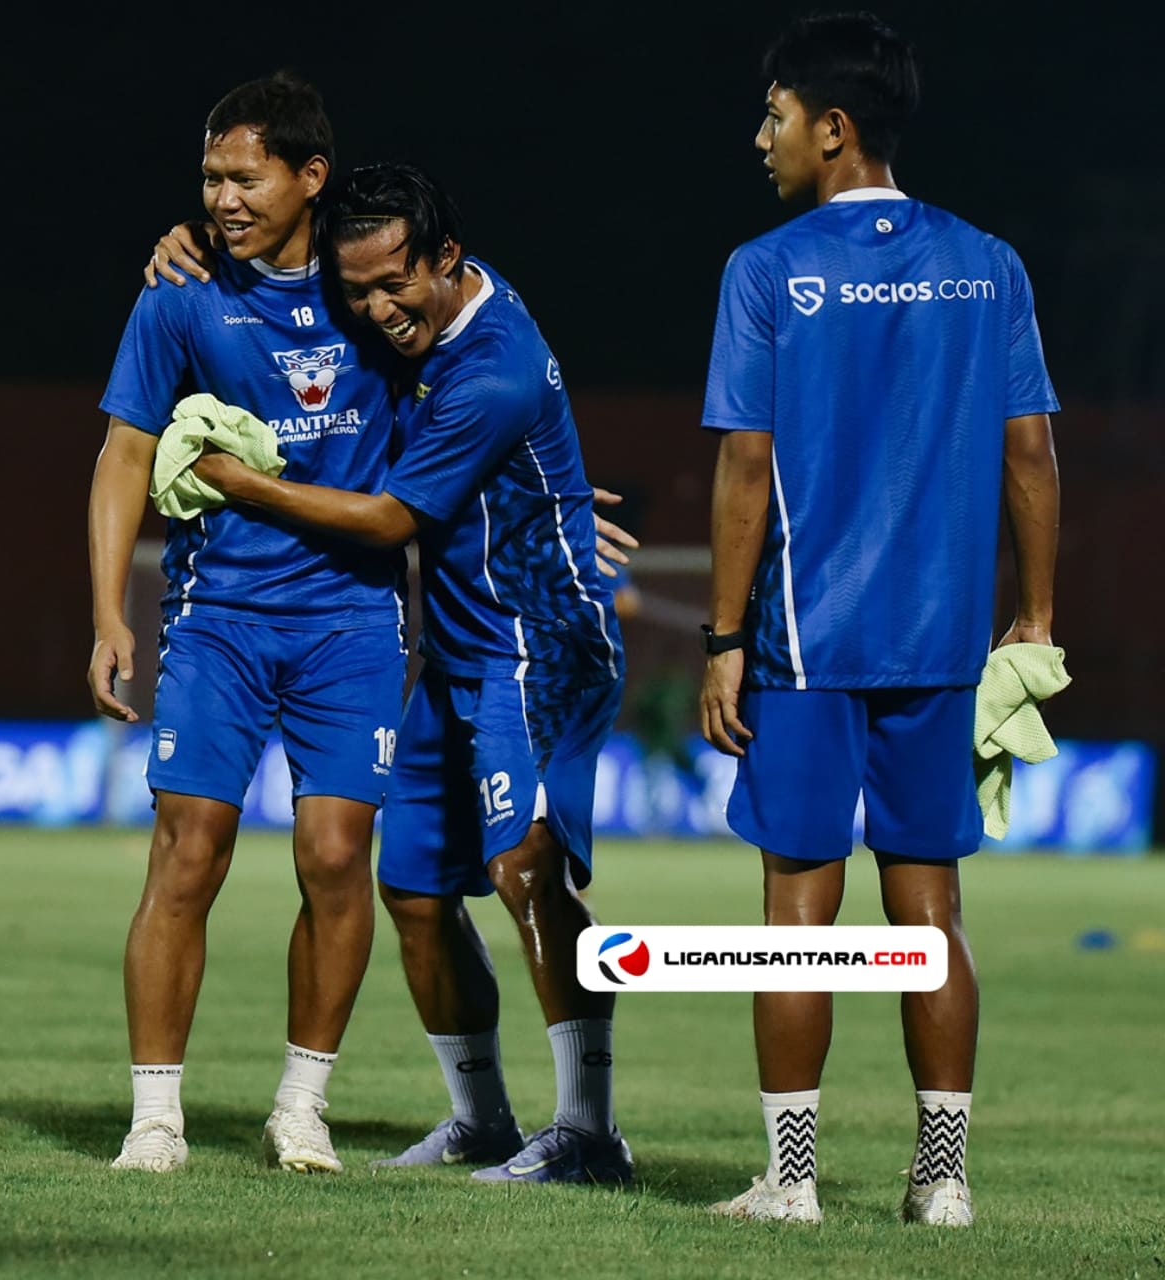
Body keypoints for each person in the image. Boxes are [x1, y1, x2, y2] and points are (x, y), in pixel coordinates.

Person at [191, 162, 634, 1185]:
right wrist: (193, 237)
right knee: (413, 892)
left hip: (539, 640)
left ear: (446, 260)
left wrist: (239, 483)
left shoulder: (491, 371)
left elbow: (392, 519)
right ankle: (480, 1116)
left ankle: (587, 1130)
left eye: (395, 284)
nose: (377, 311)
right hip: (453, 651)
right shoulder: (439, 311)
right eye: (356, 292)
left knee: (527, 870)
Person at [697, 13, 1060, 1227]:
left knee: (796, 909)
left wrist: (722, 637)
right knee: (930, 910)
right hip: (944, 640)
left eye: (775, 114)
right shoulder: (990, 263)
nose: (762, 137)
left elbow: (744, 470)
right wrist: (1032, 613)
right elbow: (1030, 458)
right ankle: (941, 1180)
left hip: (805, 642)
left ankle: (791, 1182)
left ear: (830, 128)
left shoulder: (763, 269)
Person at [89, 71, 409, 1174]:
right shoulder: (177, 292)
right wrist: (106, 614)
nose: (221, 197)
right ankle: (155, 1118)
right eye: (209, 178)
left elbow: (474, 357)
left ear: (308, 176)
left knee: (335, 853)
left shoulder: (377, 277)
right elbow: (124, 453)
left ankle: (300, 1107)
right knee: (188, 850)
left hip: (352, 616)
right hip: (217, 613)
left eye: (244, 174)